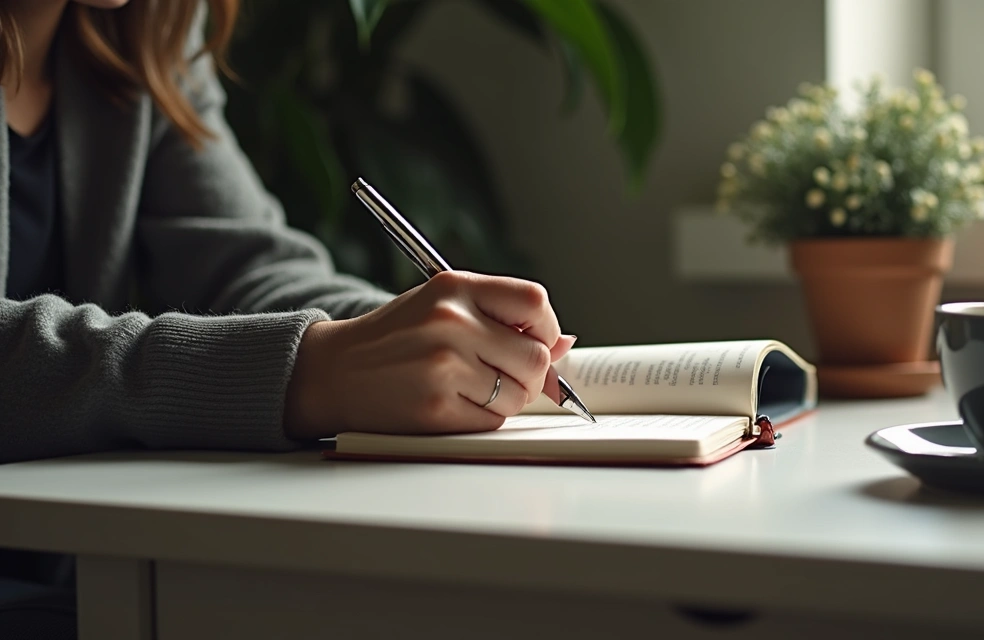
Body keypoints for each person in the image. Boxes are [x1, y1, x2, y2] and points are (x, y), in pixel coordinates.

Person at [0, 0, 574, 635]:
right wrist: (307, 369)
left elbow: (242, 257)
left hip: (80, 575)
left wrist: (398, 335)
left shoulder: (144, 27)